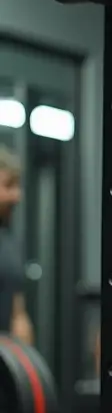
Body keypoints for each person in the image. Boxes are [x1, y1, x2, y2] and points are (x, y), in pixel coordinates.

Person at [0, 146, 34, 346]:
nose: (17, 196)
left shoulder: (7, 240)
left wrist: (25, 364)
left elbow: (18, 313)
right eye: (8, 186)